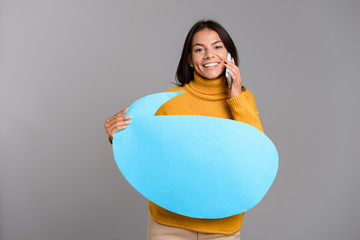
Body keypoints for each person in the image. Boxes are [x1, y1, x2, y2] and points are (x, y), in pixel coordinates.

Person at [104, 20, 264, 240]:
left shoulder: (243, 100)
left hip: (223, 226)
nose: (209, 55)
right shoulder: (168, 102)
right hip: (169, 225)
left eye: (217, 47)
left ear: (229, 54)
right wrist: (116, 136)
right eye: (199, 49)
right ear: (189, 59)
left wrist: (236, 97)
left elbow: (256, 155)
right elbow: (143, 148)